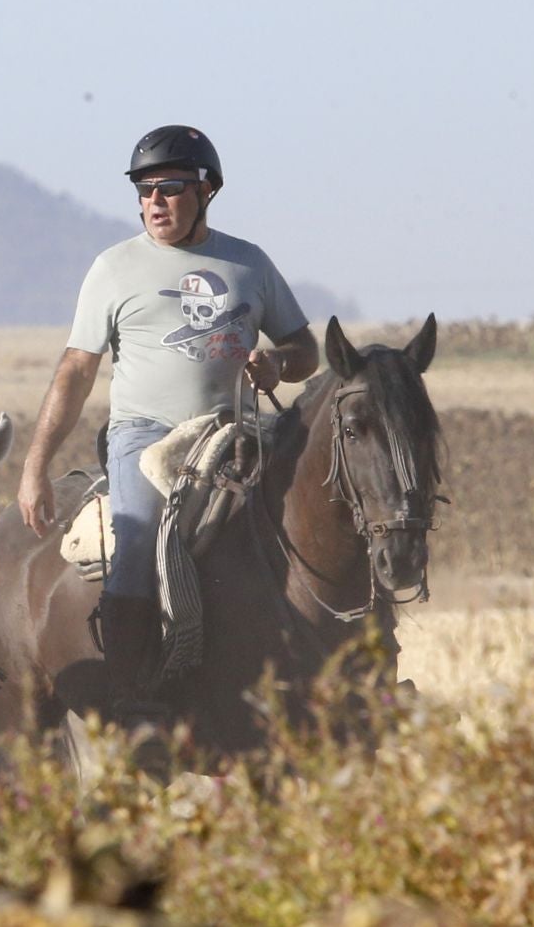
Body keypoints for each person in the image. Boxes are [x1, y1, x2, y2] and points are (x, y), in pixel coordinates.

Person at [16, 126, 319, 718]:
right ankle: (133, 702)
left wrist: (279, 363)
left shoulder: (248, 263)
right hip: (146, 435)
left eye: (169, 188)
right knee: (135, 541)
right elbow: (76, 371)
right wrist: (35, 465)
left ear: (206, 190)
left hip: (236, 430)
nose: (153, 202)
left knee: (318, 514)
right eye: (144, 190)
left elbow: (305, 348)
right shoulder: (114, 268)